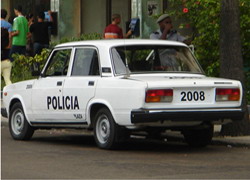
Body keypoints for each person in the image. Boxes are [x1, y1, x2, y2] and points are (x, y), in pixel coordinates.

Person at [1, 9, 13, 85]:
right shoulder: (9, 25)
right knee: (8, 80)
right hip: (6, 56)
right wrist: (9, 46)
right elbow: (10, 37)